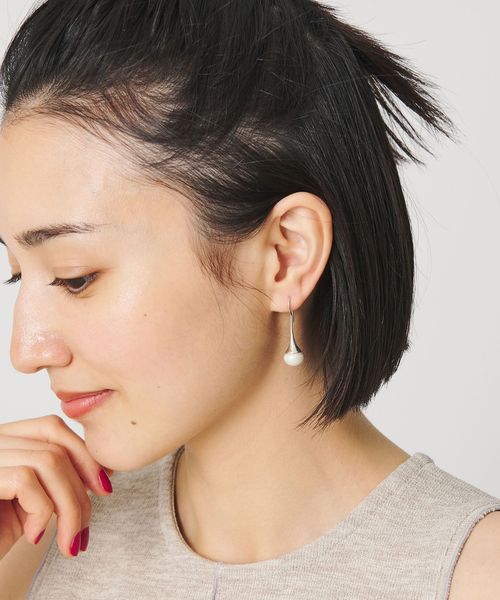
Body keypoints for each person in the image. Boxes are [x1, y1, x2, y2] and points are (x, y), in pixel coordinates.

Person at [0, 1, 498, 598]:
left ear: (286, 255)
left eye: (75, 276)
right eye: (16, 275)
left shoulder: (472, 577)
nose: (26, 351)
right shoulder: (33, 542)